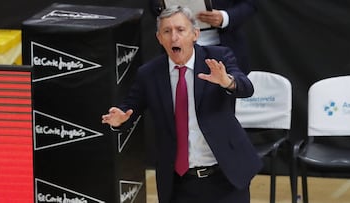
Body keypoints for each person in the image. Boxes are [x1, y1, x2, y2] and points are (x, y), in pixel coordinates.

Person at [102, 6, 262, 203]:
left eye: (180, 30)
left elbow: (246, 88)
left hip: (226, 176)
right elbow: (128, 111)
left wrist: (227, 81)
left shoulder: (218, 57)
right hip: (180, 183)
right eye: (167, 31)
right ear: (159, 38)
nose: (174, 37)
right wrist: (118, 121)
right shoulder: (149, 74)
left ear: (195, 34)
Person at [150, 0, 259, 75]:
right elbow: (155, 5)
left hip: (224, 46)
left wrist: (225, 17)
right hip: (178, 49)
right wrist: (165, 8)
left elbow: (250, 4)